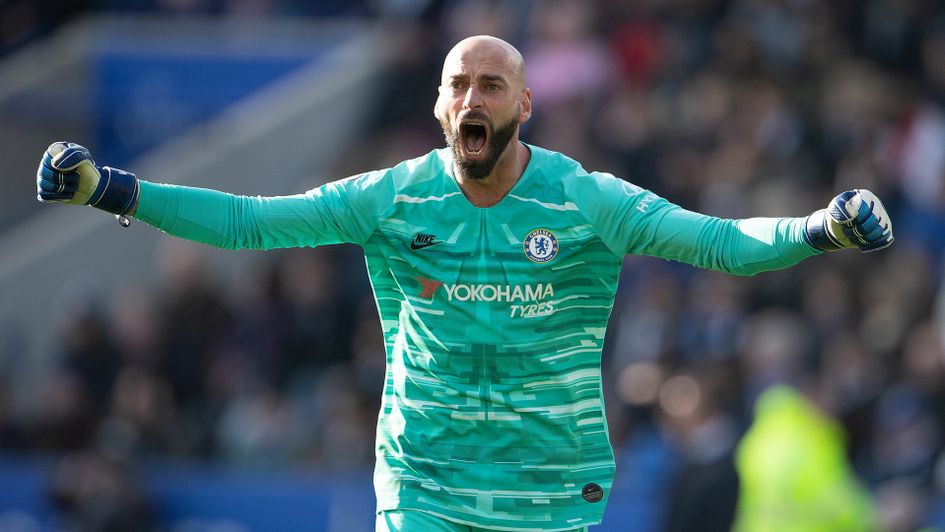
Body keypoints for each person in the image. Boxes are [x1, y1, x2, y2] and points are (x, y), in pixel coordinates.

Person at [36, 35, 892, 532]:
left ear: (525, 104)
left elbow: (719, 244)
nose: (471, 96)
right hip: (423, 481)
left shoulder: (584, 199)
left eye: (491, 83)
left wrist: (815, 231)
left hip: (551, 488)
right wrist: (109, 187)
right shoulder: (394, 194)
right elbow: (251, 221)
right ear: (442, 107)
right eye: (458, 84)